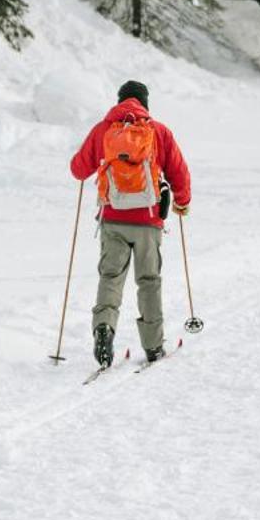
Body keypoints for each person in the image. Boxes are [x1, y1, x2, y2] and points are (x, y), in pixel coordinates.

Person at [69, 79, 191, 368]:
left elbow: (78, 169)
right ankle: (152, 346)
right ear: (145, 102)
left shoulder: (104, 130)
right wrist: (182, 202)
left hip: (113, 218)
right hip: (149, 220)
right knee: (148, 282)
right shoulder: (158, 131)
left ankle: (104, 328)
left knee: (111, 278)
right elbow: (179, 172)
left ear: (119, 100)